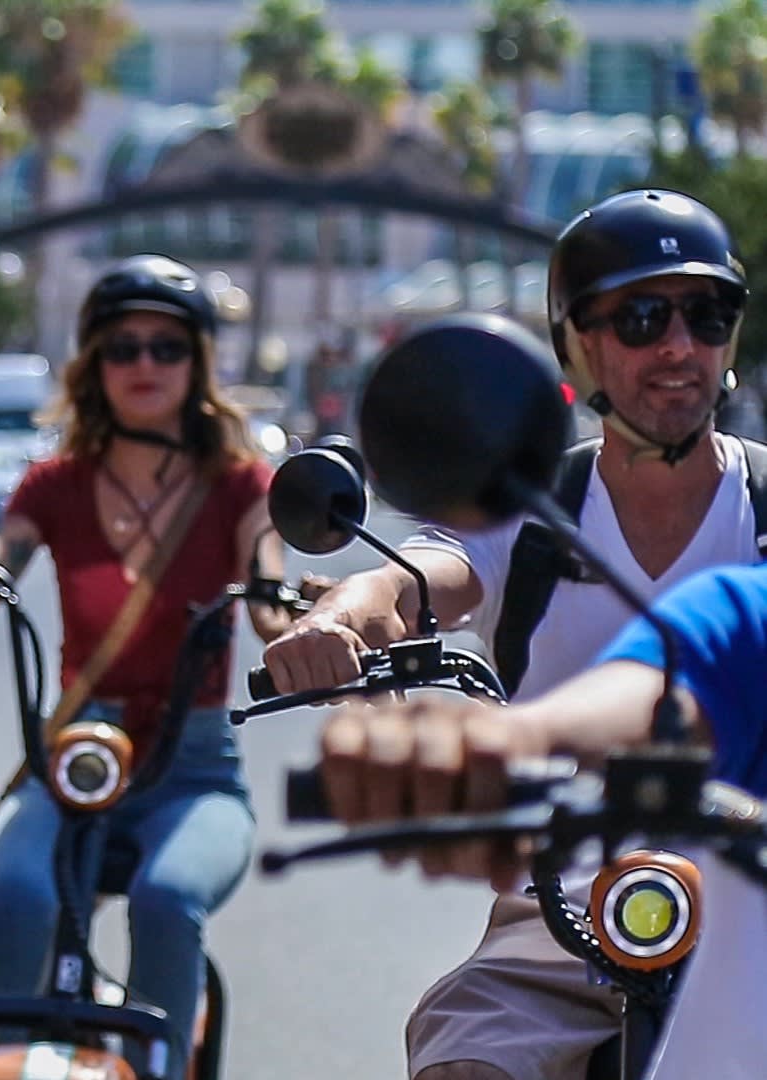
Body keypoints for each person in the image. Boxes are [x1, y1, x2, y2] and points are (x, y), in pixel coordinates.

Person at [260, 188, 762, 1080]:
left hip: (752, 902)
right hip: (565, 914)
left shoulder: (758, 525)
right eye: (642, 318)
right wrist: (341, 618)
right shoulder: (530, 516)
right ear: (576, 342)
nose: (679, 346)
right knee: (465, 1058)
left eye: (707, 314)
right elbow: (418, 576)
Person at [0, 253, 295, 1078]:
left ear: (199, 362)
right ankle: (10, 1062)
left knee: (169, 899)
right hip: (71, 759)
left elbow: (272, 602)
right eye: (123, 347)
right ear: (93, 362)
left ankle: (159, 1066)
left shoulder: (240, 486)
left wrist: (323, 623)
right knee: (15, 890)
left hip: (194, 771)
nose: (143, 364)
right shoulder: (52, 486)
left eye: (167, 347)